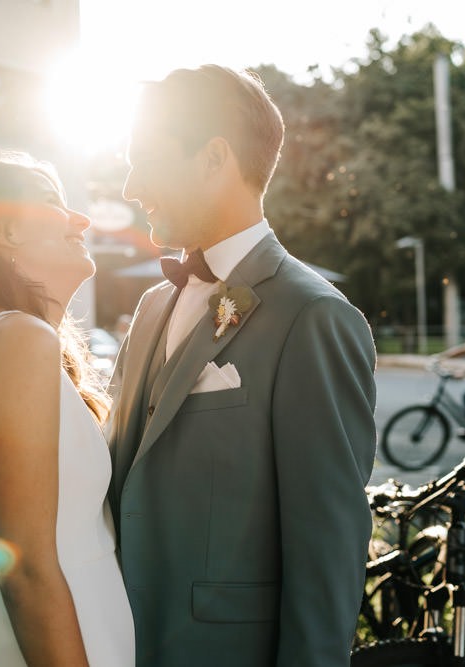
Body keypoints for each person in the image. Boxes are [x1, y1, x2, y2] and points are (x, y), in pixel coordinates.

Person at [107, 65, 378, 666]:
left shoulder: (313, 317)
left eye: (144, 158)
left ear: (213, 158)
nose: (129, 186)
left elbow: (326, 549)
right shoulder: (152, 308)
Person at [0, 154, 135, 666]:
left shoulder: (3, 341)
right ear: (4, 228)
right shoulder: (17, 339)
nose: (81, 220)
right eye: (54, 202)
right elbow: (28, 567)